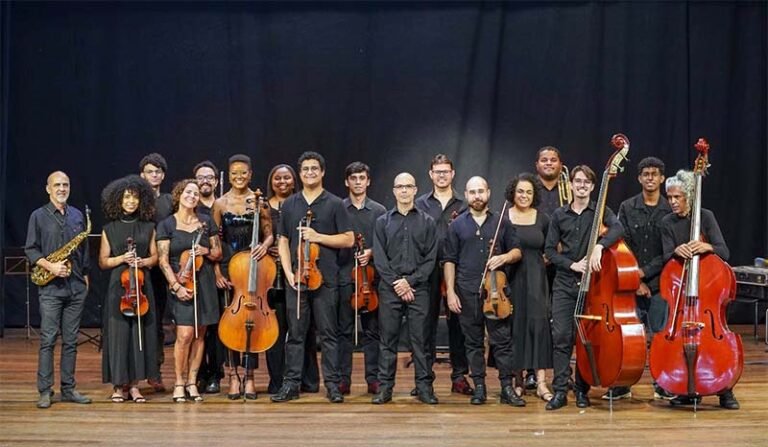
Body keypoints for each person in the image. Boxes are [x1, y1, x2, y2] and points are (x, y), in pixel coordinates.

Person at [271, 151, 354, 403]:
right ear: (300, 173)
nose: (309, 173)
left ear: (322, 172)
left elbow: (348, 239)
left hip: (325, 279)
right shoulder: (290, 204)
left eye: (314, 169)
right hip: (296, 280)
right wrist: (287, 273)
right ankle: (291, 384)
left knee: (328, 334)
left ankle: (332, 384)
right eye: (305, 169)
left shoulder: (335, 203)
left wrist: (318, 237)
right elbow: (283, 241)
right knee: (295, 335)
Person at [544, 165, 624, 411]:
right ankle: (560, 390)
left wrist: (600, 245)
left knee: (584, 338)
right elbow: (548, 251)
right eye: (577, 181)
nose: (581, 185)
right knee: (562, 338)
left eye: (586, 182)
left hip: (592, 287)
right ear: (571, 185)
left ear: (592, 186)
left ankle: (581, 389)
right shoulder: (559, 215)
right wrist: (572, 265)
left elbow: (619, 228)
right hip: (565, 284)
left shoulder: (600, 212)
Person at [659, 170, 739, 410]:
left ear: (690, 197)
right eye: (669, 197)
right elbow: (665, 256)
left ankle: (725, 390)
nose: (672, 202)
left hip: (707, 291)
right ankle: (685, 389)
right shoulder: (667, 223)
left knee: (717, 340)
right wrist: (675, 251)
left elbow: (724, 253)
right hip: (682, 295)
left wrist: (706, 246)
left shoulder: (705, 216)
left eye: (677, 197)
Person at [443, 176, 525, 406]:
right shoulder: (457, 225)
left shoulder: (502, 222)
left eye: (481, 191)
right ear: (466, 195)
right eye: (472, 192)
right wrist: (450, 291)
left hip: (497, 291)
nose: (477, 196)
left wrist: (505, 256)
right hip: (467, 290)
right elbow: (449, 260)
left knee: (502, 341)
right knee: (473, 341)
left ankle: (507, 388)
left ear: (488, 193)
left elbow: (518, 251)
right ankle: (479, 386)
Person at [25, 171, 92, 409]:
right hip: (51, 288)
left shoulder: (76, 215)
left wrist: (85, 279)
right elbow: (31, 250)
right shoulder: (38, 216)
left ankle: (68, 389)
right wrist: (51, 266)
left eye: (65, 184)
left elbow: (83, 251)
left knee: (71, 341)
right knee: (48, 339)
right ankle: (45, 391)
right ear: (48, 189)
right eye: (57, 185)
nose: (62, 188)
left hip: (75, 287)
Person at [609, 157, 673, 401]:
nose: (650, 178)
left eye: (654, 174)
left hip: (659, 283)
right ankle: (623, 384)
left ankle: (661, 383)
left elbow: (668, 253)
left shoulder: (670, 209)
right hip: (630, 284)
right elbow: (621, 244)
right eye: (645, 174)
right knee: (628, 336)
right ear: (639, 178)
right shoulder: (626, 207)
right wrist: (635, 280)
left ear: (662, 178)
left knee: (659, 335)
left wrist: (644, 275)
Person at [372, 172, 438, 405]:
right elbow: (379, 259)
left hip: (418, 288)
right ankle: (385, 389)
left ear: (415, 189)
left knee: (420, 341)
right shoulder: (382, 222)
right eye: (399, 186)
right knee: (387, 341)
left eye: (408, 186)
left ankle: (424, 387)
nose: (403, 190)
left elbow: (431, 260)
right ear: (393, 190)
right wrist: (397, 283)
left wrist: (409, 282)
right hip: (390, 288)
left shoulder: (428, 222)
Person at [211, 155, 273, 400]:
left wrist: (265, 246)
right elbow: (214, 240)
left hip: (253, 264)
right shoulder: (220, 203)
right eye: (234, 173)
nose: (239, 177)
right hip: (228, 265)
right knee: (230, 323)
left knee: (252, 321)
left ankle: (249, 376)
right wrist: (216, 271)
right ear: (229, 173)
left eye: (243, 173)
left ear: (250, 174)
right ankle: (233, 376)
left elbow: (269, 232)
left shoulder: (260, 201)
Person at [157, 179, 222, 402]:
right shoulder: (166, 225)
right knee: (184, 335)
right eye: (188, 192)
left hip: (203, 283)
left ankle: (193, 381)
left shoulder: (205, 222)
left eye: (195, 193)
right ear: (179, 195)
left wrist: (204, 250)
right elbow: (163, 261)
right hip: (181, 282)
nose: (192, 196)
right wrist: (175, 286)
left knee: (199, 335)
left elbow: (217, 253)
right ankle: (179, 382)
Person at [98, 175, 160, 403]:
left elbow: (155, 257)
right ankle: (118, 385)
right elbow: (103, 262)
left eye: (135, 197)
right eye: (126, 197)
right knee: (118, 336)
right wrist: (121, 258)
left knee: (139, 335)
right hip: (119, 287)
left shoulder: (149, 227)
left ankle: (134, 386)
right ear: (118, 200)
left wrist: (144, 262)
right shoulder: (109, 229)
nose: (131, 202)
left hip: (142, 286)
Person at [415, 154, 471, 395]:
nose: (441, 176)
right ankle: (424, 378)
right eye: (437, 172)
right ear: (430, 175)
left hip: (457, 269)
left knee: (458, 325)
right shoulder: (419, 203)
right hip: (427, 269)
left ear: (452, 174)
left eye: (445, 171)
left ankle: (459, 376)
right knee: (425, 325)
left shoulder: (464, 203)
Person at [265, 163, 321, 395]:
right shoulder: (263, 208)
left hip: (299, 274)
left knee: (303, 329)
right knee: (276, 331)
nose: (282, 182)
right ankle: (278, 380)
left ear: (294, 180)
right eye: (277, 178)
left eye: (287, 178)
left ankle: (308, 380)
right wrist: (268, 247)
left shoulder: (299, 205)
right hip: (270, 277)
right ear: (271, 181)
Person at [337, 162, 386, 395]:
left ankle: (373, 379)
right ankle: (343, 379)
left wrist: (372, 252)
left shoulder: (379, 211)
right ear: (347, 181)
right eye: (353, 178)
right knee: (344, 331)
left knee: (372, 331)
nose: (358, 182)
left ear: (368, 181)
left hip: (371, 280)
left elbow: (388, 243)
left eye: (362, 178)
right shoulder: (338, 208)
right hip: (345, 277)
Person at [506, 173, 553, 402]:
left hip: (537, 278)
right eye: (520, 191)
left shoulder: (543, 219)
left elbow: (553, 248)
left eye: (528, 192)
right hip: (512, 279)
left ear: (534, 195)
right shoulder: (504, 218)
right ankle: (518, 382)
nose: (524, 196)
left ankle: (542, 383)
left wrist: (544, 260)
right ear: (513, 193)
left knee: (539, 325)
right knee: (516, 327)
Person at [139, 152, 174, 392]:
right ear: (142, 174)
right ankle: (132, 374)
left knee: (158, 321)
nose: (154, 175)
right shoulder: (133, 198)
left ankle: (155, 370)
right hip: (138, 266)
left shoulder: (170, 201)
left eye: (158, 172)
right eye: (150, 171)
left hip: (161, 268)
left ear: (163, 175)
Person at [192, 160, 226, 394]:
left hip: (221, 271)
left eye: (209, 177)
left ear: (215, 181)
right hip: (195, 274)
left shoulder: (221, 206)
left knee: (215, 328)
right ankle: (198, 374)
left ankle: (215, 374)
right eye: (200, 177)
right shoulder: (190, 206)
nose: (205, 181)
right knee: (196, 327)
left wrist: (218, 271)